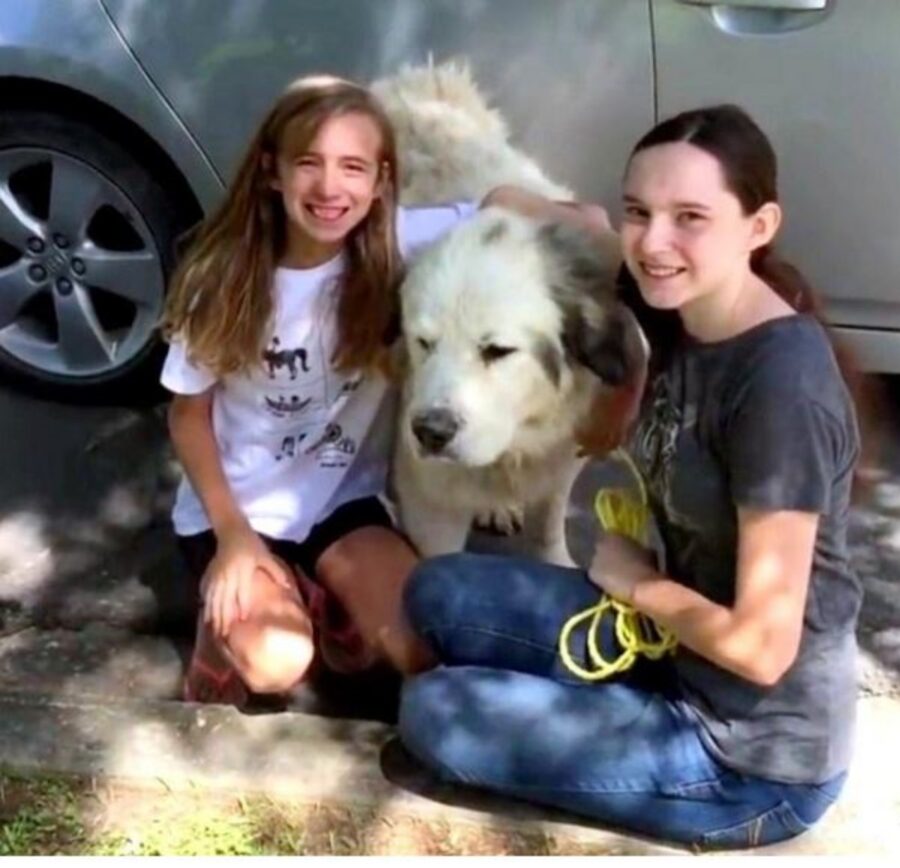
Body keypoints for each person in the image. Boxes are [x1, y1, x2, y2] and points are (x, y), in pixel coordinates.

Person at [397, 105, 862, 850]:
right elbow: (506, 206)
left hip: (747, 756)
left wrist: (635, 582)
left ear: (760, 225)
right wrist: (575, 220)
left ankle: (586, 721)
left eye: (690, 217)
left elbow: (764, 648)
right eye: (638, 211)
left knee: (436, 713)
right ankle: (580, 707)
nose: (654, 242)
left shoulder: (781, 392)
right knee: (434, 591)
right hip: (671, 651)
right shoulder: (678, 292)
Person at [161, 73, 607, 708]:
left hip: (340, 504)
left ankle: (319, 598)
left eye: (353, 167)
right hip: (239, 506)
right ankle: (233, 622)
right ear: (271, 172)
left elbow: (518, 206)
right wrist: (233, 539)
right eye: (308, 163)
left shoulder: (400, 243)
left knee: (425, 648)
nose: (330, 186)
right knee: (278, 662)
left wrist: (602, 242)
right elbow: (187, 415)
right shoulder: (225, 277)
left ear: (380, 182)